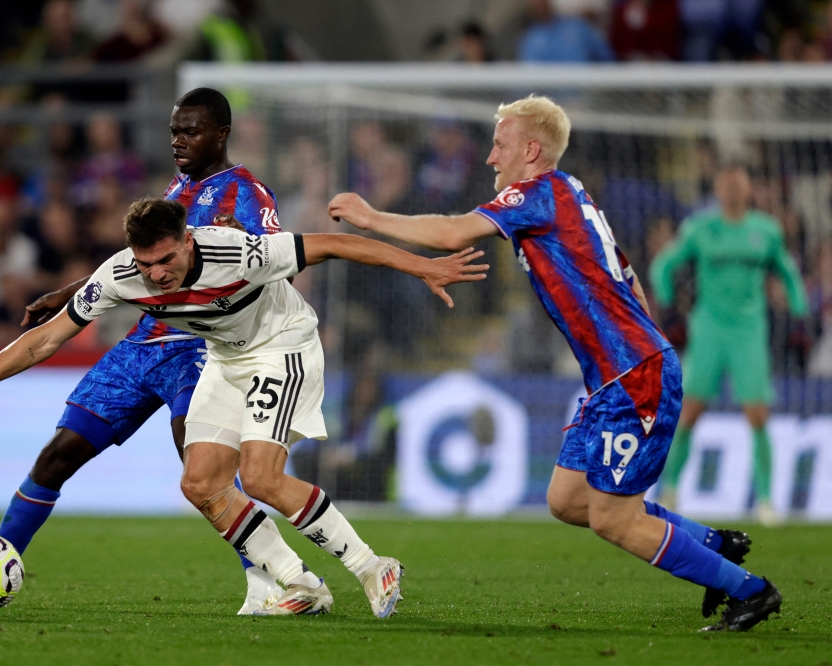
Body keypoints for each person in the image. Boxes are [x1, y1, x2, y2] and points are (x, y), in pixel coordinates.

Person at [327, 95, 782, 632]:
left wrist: (369, 216)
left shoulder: (539, 192)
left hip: (632, 375)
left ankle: (749, 591)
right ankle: (711, 544)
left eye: (500, 145)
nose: (492, 157)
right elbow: (629, 278)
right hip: (617, 375)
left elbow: (452, 233)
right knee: (568, 499)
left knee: (613, 518)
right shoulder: (572, 195)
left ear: (532, 149)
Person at [0, 197, 485, 616]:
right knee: (200, 484)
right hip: (225, 357)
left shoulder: (238, 251)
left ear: (188, 241)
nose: (158, 274)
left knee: (261, 477)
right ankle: (302, 585)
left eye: (166, 259)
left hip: (282, 346)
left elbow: (336, 244)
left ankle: (372, 568)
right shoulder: (123, 275)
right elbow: (46, 338)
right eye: (147, 264)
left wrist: (423, 267)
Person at [0, 88, 284, 614]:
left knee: (203, 470)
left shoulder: (247, 195)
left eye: (190, 132)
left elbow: (277, 264)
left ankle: (266, 578)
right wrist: (72, 291)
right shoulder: (179, 189)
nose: (178, 141)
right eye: (173, 132)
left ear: (221, 135)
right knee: (57, 456)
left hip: (204, 348)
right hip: (144, 344)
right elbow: (138, 264)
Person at [649, 164, 809, 524]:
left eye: (739, 183)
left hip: (749, 331)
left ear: (750, 188)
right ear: (718, 188)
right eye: (727, 183)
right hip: (709, 328)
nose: (733, 190)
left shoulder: (766, 231)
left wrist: (799, 302)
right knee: (689, 412)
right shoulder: (700, 228)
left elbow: (786, 269)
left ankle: (766, 500)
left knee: (757, 414)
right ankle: (670, 489)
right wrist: (666, 292)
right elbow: (664, 264)